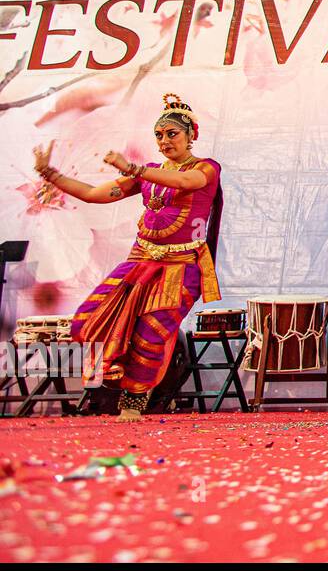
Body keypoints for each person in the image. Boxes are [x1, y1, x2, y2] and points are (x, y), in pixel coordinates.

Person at [33, 93, 222, 421]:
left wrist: (134, 169)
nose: (164, 141)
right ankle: (114, 379)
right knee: (91, 320)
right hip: (139, 261)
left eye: (172, 134)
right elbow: (94, 194)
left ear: (192, 134)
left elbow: (183, 180)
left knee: (152, 333)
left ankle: (133, 401)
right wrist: (51, 174)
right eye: (159, 135)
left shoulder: (206, 168)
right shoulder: (148, 174)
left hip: (180, 267)